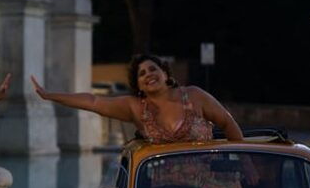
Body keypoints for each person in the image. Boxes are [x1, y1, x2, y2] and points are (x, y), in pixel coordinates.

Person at [31, 53, 245, 144]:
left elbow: (227, 123)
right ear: (139, 86)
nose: (148, 75)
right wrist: (49, 95)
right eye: (141, 74)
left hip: (210, 187)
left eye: (153, 69)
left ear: (166, 74)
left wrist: (245, 165)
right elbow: (93, 101)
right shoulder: (135, 108)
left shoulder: (195, 96)